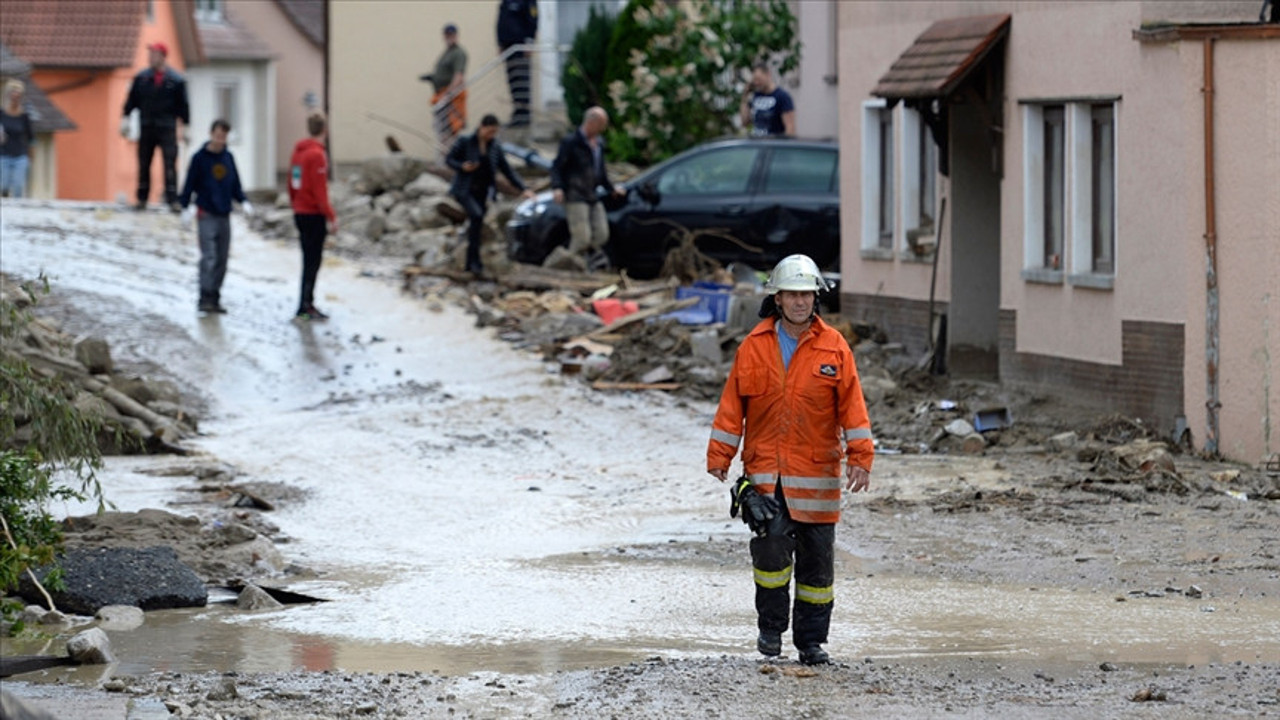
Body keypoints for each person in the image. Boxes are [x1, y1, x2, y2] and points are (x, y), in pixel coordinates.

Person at [706, 254, 874, 666]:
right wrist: (720, 454)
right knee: (770, 555)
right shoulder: (753, 346)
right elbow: (732, 406)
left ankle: (811, 642)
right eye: (792, 294)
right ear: (777, 298)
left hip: (817, 477)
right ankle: (770, 630)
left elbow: (853, 408)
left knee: (817, 570)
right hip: (767, 475)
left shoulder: (834, 347)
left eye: (807, 294)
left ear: (815, 298)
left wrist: (861, 456)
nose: (800, 302)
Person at [447, 114, 535, 276]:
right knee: (476, 216)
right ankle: (472, 261)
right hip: (465, 189)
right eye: (489, 131)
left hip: (482, 190)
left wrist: (523, 188)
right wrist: (462, 166)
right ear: (482, 127)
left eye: (494, 132)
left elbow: (507, 169)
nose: (491, 135)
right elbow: (450, 159)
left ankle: (472, 262)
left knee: (477, 224)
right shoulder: (465, 141)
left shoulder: (494, 146)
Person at [178, 119, 251, 314]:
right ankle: (205, 296)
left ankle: (216, 296)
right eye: (218, 135)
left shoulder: (228, 158)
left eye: (224, 136)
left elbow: (235, 184)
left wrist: (243, 201)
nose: (220, 140)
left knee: (222, 258)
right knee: (208, 256)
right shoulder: (199, 158)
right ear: (211, 134)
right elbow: (189, 184)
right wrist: (185, 207)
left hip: (224, 214)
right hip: (206, 213)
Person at [549, 106, 625, 263]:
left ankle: (586, 262)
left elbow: (600, 171)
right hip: (575, 195)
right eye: (601, 125)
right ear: (591, 122)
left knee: (602, 234)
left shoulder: (599, 144)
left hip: (592, 194)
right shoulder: (571, 142)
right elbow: (557, 167)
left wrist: (611, 189)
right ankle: (567, 265)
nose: (603, 129)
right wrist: (557, 187)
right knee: (581, 238)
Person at [122, 41, 190, 211]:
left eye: (154, 54)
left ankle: (173, 199)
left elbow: (183, 105)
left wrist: (187, 125)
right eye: (150, 54)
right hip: (147, 125)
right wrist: (125, 118)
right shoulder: (142, 78)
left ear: (162, 57)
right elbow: (132, 101)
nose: (151, 57)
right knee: (144, 163)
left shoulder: (176, 80)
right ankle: (142, 198)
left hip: (167, 127)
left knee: (169, 163)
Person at [288, 112, 338, 321]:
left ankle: (304, 303)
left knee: (306, 259)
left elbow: (292, 183)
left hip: (299, 211)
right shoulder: (317, 155)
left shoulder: (298, 153)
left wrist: (295, 203)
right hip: (313, 214)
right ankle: (306, 305)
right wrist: (331, 216)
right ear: (325, 131)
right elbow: (320, 191)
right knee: (313, 261)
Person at [420, 23, 468, 149]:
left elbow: (459, 75)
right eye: (447, 35)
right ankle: (445, 157)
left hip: (450, 97)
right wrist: (432, 78)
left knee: (451, 129)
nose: (449, 37)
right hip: (441, 95)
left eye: (452, 35)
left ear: (456, 36)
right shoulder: (447, 53)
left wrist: (449, 93)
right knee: (442, 130)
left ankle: (451, 157)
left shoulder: (458, 53)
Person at [496, 0, 538, 128]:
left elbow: (533, 19)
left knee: (521, 82)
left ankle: (524, 115)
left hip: (520, 48)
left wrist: (529, 42)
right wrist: (500, 43)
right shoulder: (506, 2)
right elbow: (501, 21)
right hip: (508, 48)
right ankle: (517, 113)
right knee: (513, 82)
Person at [740, 62, 795, 137]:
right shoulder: (756, 96)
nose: (757, 83)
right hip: (758, 144)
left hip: (774, 144)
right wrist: (745, 96)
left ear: (768, 74)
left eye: (759, 79)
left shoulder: (782, 96)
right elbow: (745, 122)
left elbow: (790, 127)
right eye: (754, 80)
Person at [0, 79, 34, 198]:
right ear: (8, 96)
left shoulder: (24, 116)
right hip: (3, 154)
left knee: (18, 186)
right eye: (13, 96)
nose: (15, 99)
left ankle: (18, 212)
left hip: (20, 155)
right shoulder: (2, 114)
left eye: (18, 96)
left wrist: (31, 155)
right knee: (3, 186)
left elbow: (30, 137)